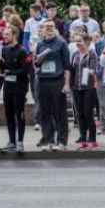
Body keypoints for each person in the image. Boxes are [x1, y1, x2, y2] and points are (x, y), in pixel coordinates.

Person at [35, 21, 71, 152]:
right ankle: (48, 139)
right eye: (46, 27)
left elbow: (67, 66)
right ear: (42, 30)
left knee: (59, 112)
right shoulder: (40, 44)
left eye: (51, 27)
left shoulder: (61, 43)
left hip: (57, 80)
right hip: (43, 80)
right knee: (45, 112)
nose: (49, 29)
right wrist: (38, 60)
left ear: (55, 29)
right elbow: (36, 64)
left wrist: (66, 84)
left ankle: (61, 141)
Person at [0, 25, 30, 153]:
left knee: (19, 115)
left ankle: (20, 142)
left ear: (14, 35)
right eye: (4, 34)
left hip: (19, 88)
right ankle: (12, 141)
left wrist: (10, 72)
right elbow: (4, 67)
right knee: (9, 114)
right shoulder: (4, 49)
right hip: (8, 88)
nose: (4, 37)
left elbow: (25, 70)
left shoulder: (22, 51)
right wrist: (0, 64)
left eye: (7, 34)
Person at [71, 32, 99, 151]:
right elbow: (72, 69)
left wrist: (87, 73)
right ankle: (83, 138)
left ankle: (92, 139)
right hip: (76, 88)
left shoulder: (92, 54)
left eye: (80, 41)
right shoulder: (75, 54)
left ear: (87, 42)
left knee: (88, 113)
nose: (78, 44)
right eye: (76, 41)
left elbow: (93, 69)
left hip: (88, 87)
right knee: (80, 114)